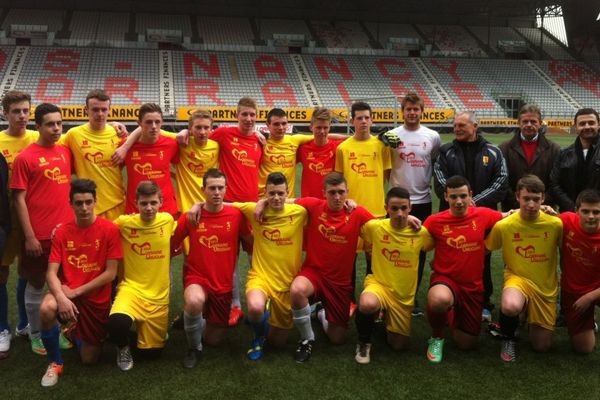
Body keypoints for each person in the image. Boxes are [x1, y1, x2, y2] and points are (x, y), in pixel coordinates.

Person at [38, 179, 122, 386]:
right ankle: (55, 362)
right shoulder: (62, 231)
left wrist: (75, 293)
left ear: (95, 201)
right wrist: (61, 297)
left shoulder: (110, 229)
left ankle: (71, 330)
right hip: (66, 292)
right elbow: (51, 273)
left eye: (88, 202)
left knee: (89, 359)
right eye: (79, 203)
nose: (84, 208)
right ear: (71, 204)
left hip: (94, 297)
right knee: (47, 308)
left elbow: (111, 274)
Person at [287, 172, 374, 362]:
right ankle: (307, 339)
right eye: (332, 192)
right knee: (297, 290)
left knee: (337, 338)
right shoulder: (313, 205)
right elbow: (283, 200)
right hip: (314, 274)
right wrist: (261, 203)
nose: (337, 197)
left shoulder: (357, 213)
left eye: (341, 192)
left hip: (340, 282)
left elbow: (383, 226)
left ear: (347, 192)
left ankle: (320, 313)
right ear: (323, 193)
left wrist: (407, 219)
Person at [171, 169, 251, 368]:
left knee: (214, 340)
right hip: (197, 277)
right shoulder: (192, 216)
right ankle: (194, 348)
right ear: (203, 190)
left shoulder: (237, 215)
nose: (216, 192)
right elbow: (170, 242)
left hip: (223, 285)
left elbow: (251, 243)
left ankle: (192, 319)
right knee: (195, 300)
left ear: (226, 189)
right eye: (212, 188)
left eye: (220, 188)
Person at [433, 111, 508, 321]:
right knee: (452, 257)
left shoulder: (493, 151)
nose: (456, 129)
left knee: (482, 258)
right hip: (452, 218)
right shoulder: (445, 151)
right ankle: (450, 298)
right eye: (455, 125)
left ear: (475, 126)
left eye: (462, 125)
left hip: (483, 218)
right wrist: (461, 202)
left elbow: (501, 182)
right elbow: (440, 183)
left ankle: (483, 302)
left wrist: (474, 203)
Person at [10, 103, 72, 355]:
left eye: (59, 123)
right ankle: (35, 333)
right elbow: (18, 199)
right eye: (50, 124)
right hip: (39, 236)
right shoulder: (26, 157)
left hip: (65, 236)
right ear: (38, 127)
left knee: (64, 284)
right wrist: (30, 236)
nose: (56, 128)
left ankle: (58, 328)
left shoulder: (66, 152)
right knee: (36, 283)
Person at [423, 175, 503, 363]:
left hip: (472, 286)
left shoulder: (483, 214)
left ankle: (452, 311)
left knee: (466, 344)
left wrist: (542, 208)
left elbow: (510, 216)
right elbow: (415, 234)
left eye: (463, 196)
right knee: (439, 300)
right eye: (453, 197)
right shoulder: (434, 221)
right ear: (446, 197)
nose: (458, 201)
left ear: (470, 195)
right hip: (446, 280)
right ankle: (436, 336)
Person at [485, 175, 562, 362]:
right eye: (526, 198)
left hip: (545, 287)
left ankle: (527, 316)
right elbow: (485, 250)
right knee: (511, 306)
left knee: (542, 346)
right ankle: (508, 338)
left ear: (543, 199)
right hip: (517, 279)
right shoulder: (504, 225)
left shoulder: (555, 224)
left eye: (536, 199)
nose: (531, 204)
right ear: (518, 197)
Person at [354, 186, 434, 364]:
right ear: (386, 208)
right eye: (394, 208)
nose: (399, 213)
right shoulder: (375, 227)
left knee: (399, 345)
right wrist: (351, 203)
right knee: (367, 303)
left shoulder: (421, 233)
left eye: (404, 208)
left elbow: (438, 244)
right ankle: (364, 341)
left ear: (410, 207)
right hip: (379, 285)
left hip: (403, 296)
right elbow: (354, 220)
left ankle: (383, 318)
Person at [237, 172, 307, 361]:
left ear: (287, 193)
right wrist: (197, 205)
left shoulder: (300, 212)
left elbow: (322, 205)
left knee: (277, 343)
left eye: (280, 193)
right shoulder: (253, 209)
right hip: (261, 276)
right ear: (265, 193)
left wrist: (350, 202)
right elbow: (222, 204)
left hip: (287, 282)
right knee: (255, 308)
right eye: (271, 193)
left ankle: (268, 317)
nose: (276, 198)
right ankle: (258, 335)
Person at [108, 181, 176, 371]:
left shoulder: (167, 221)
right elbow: (98, 229)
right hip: (132, 290)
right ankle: (122, 348)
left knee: (151, 355)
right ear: (135, 203)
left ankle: (141, 334)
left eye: (153, 203)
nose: (148, 208)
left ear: (161, 202)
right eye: (144, 203)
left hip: (158, 298)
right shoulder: (124, 223)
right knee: (117, 323)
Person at [384, 92, 441, 316]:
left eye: (416, 109)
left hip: (423, 201)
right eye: (408, 109)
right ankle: (390, 294)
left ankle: (412, 297)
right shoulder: (392, 135)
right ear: (403, 111)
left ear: (422, 111)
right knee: (394, 249)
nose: (412, 113)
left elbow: (434, 162)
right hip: (398, 201)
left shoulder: (432, 135)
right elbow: (386, 164)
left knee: (417, 252)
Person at [209, 97, 263, 325]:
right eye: (245, 114)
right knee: (228, 259)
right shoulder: (223, 134)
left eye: (252, 115)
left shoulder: (260, 140)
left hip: (251, 209)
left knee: (256, 258)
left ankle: (260, 299)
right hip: (228, 206)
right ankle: (235, 306)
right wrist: (183, 133)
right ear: (236, 115)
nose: (249, 119)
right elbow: (195, 137)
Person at [0, 90, 34, 353]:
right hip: (4, 219)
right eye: (16, 111)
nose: (22, 116)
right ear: (5, 113)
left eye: (25, 110)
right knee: (1, 272)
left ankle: (24, 323)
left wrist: (118, 126)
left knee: (27, 270)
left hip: (31, 218)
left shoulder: (38, 137)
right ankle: (3, 328)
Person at [62, 89, 129, 221]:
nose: (100, 114)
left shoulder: (119, 135)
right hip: (86, 207)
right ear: (86, 109)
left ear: (110, 109)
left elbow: (144, 133)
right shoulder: (73, 135)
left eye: (104, 109)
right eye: (95, 109)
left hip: (117, 203)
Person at [559, 189, 600, 354]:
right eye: (586, 211)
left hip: (595, 290)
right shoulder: (565, 221)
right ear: (576, 211)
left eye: (596, 212)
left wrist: (590, 297)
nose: (591, 216)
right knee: (584, 349)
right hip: (573, 292)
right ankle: (589, 321)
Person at [499, 104, 561, 211]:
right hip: (513, 210)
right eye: (525, 121)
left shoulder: (554, 149)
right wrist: (519, 203)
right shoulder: (504, 148)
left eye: (533, 121)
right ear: (519, 123)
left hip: (544, 210)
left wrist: (541, 203)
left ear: (540, 124)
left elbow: (556, 182)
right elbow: (503, 182)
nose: (529, 125)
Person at [124, 104, 179, 216]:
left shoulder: (171, 144)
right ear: (139, 123)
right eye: (148, 122)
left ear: (162, 122)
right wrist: (113, 124)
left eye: (157, 122)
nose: (154, 126)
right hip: (136, 212)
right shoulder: (126, 147)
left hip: (166, 210)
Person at [549, 108, 600, 212]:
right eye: (582, 123)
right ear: (575, 127)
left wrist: (594, 209)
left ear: (598, 125)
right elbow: (554, 184)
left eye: (591, 123)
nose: (587, 126)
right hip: (571, 213)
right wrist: (573, 208)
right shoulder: (563, 153)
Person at [258, 108, 312, 197]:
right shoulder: (261, 141)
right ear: (267, 125)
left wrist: (343, 140)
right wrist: (255, 132)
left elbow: (323, 135)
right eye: (276, 124)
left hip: (288, 200)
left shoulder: (295, 140)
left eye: (284, 123)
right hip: (263, 198)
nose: (281, 127)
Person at [175, 110, 219, 214]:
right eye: (198, 127)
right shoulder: (182, 143)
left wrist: (256, 132)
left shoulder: (217, 146)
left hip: (210, 207)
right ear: (190, 129)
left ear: (211, 129)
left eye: (206, 127)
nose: (202, 132)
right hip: (186, 208)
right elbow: (150, 129)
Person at [297, 107, 343, 198]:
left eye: (325, 127)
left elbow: (355, 139)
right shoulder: (302, 148)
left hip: (331, 202)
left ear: (330, 127)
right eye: (318, 127)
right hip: (309, 202)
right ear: (311, 127)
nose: (322, 131)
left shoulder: (339, 147)